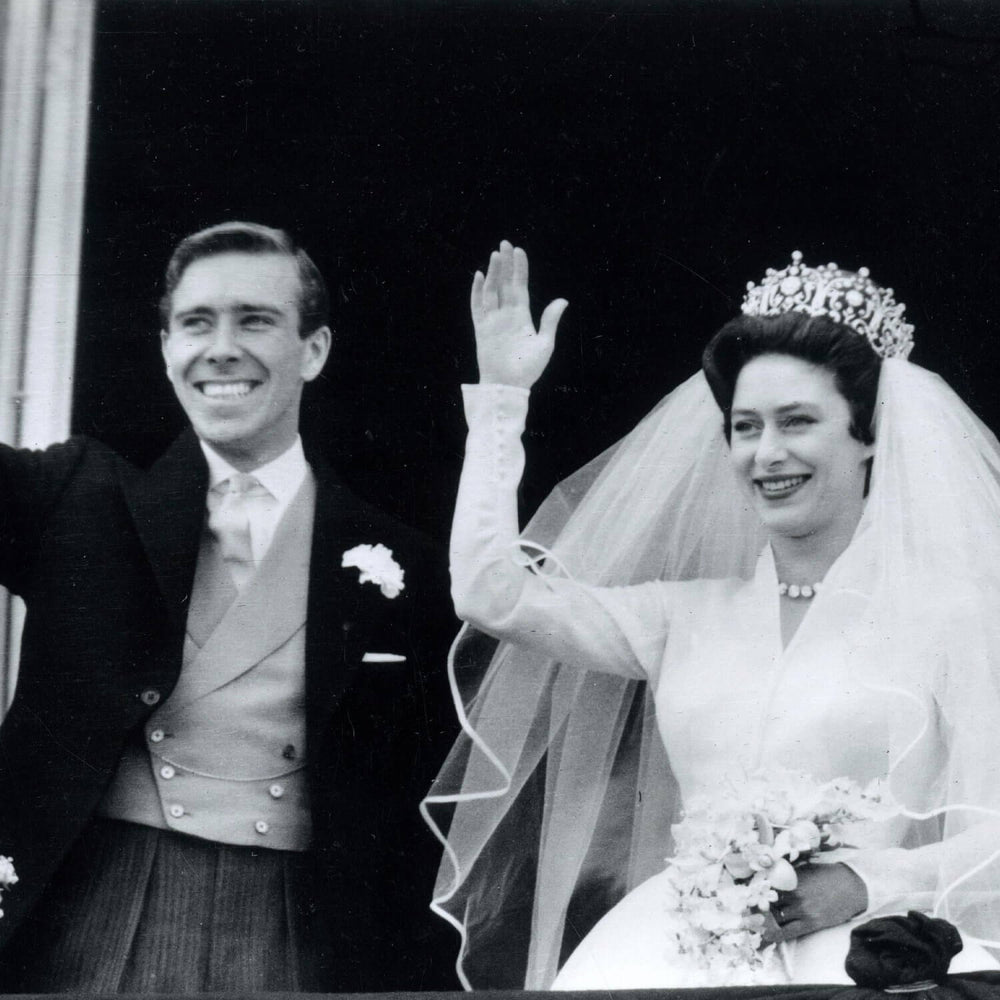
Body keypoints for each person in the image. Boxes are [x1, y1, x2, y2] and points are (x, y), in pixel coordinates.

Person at [422, 241, 1000, 988]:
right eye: (746, 425)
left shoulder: (949, 617)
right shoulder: (681, 616)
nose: (767, 453)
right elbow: (491, 594)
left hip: (866, 954)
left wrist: (867, 882)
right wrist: (501, 401)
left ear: (869, 437)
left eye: (797, 422)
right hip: (670, 947)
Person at [0, 221, 456, 992]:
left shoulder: (394, 553)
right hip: (95, 912)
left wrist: (506, 399)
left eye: (255, 320)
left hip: (294, 930)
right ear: (166, 348)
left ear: (313, 350)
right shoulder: (80, 494)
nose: (221, 348)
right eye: (195, 323)